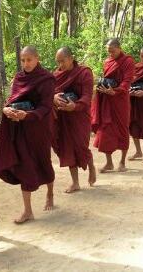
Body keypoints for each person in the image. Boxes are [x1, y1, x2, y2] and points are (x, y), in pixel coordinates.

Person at [0, 46, 55, 224]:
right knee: (24, 166)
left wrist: (29, 115)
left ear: (37, 58)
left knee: (44, 163)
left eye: (29, 59)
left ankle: (50, 193)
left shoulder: (47, 79)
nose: (26, 63)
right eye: (23, 60)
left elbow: (46, 106)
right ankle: (28, 210)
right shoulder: (19, 78)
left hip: (38, 128)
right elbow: (13, 99)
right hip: (20, 127)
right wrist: (6, 109)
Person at [52, 47, 96, 193]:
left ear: (71, 58)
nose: (60, 65)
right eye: (58, 62)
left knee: (81, 147)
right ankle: (75, 182)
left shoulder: (84, 73)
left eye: (62, 61)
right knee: (67, 149)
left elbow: (87, 97)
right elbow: (49, 93)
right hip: (62, 117)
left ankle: (91, 166)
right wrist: (54, 98)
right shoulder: (56, 75)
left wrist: (75, 106)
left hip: (79, 116)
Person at [91, 38, 135, 172]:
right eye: (108, 52)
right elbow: (107, 79)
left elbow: (127, 81)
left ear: (119, 48)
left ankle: (122, 162)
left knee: (122, 130)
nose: (110, 54)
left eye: (112, 51)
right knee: (105, 132)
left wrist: (115, 91)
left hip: (120, 101)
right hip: (107, 101)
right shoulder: (107, 61)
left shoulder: (128, 61)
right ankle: (109, 162)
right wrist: (101, 87)